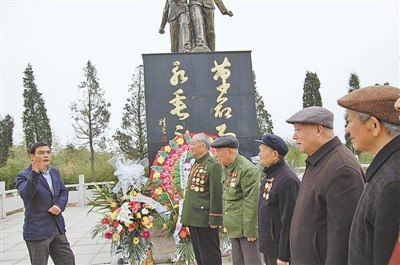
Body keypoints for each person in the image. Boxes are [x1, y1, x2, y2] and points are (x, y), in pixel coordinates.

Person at [286, 106, 365, 265]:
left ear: (318, 130)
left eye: (298, 130)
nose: (294, 136)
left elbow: (343, 241)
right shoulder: (318, 161)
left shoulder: (341, 169)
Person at [337, 85, 400, 265]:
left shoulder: (392, 182)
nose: (347, 130)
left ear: (373, 125)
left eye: (349, 120)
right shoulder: (385, 170)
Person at [15, 142, 75, 265]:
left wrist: (59, 205)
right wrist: (35, 173)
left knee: (68, 261)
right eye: (41, 153)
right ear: (32, 156)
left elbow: (63, 191)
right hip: (38, 231)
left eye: (48, 152)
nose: (46, 155)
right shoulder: (23, 176)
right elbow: (26, 194)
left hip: (57, 228)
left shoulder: (54, 172)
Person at [210, 135, 262, 265]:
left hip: (246, 229)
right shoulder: (227, 168)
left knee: (252, 262)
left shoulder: (247, 170)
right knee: (238, 262)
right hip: (234, 227)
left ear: (230, 151)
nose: (216, 156)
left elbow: (252, 202)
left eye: (218, 152)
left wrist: (251, 231)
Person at [255, 133, 300, 265]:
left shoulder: (287, 180)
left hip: (279, 251)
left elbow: (289, 220)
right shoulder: (270, 175)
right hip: (269, 246)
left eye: (262, 151)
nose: (259, 154)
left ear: (274, 154)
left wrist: (284, 255)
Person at [180, 133, 223, 265]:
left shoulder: (212, 165)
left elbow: (216, 193)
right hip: (195, 218)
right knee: (200, 256)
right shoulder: (197, 163)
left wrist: (215, 218)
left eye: (193, 144)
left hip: (205, 219)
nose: (190, 147)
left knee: (209, 256)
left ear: (203, 146)